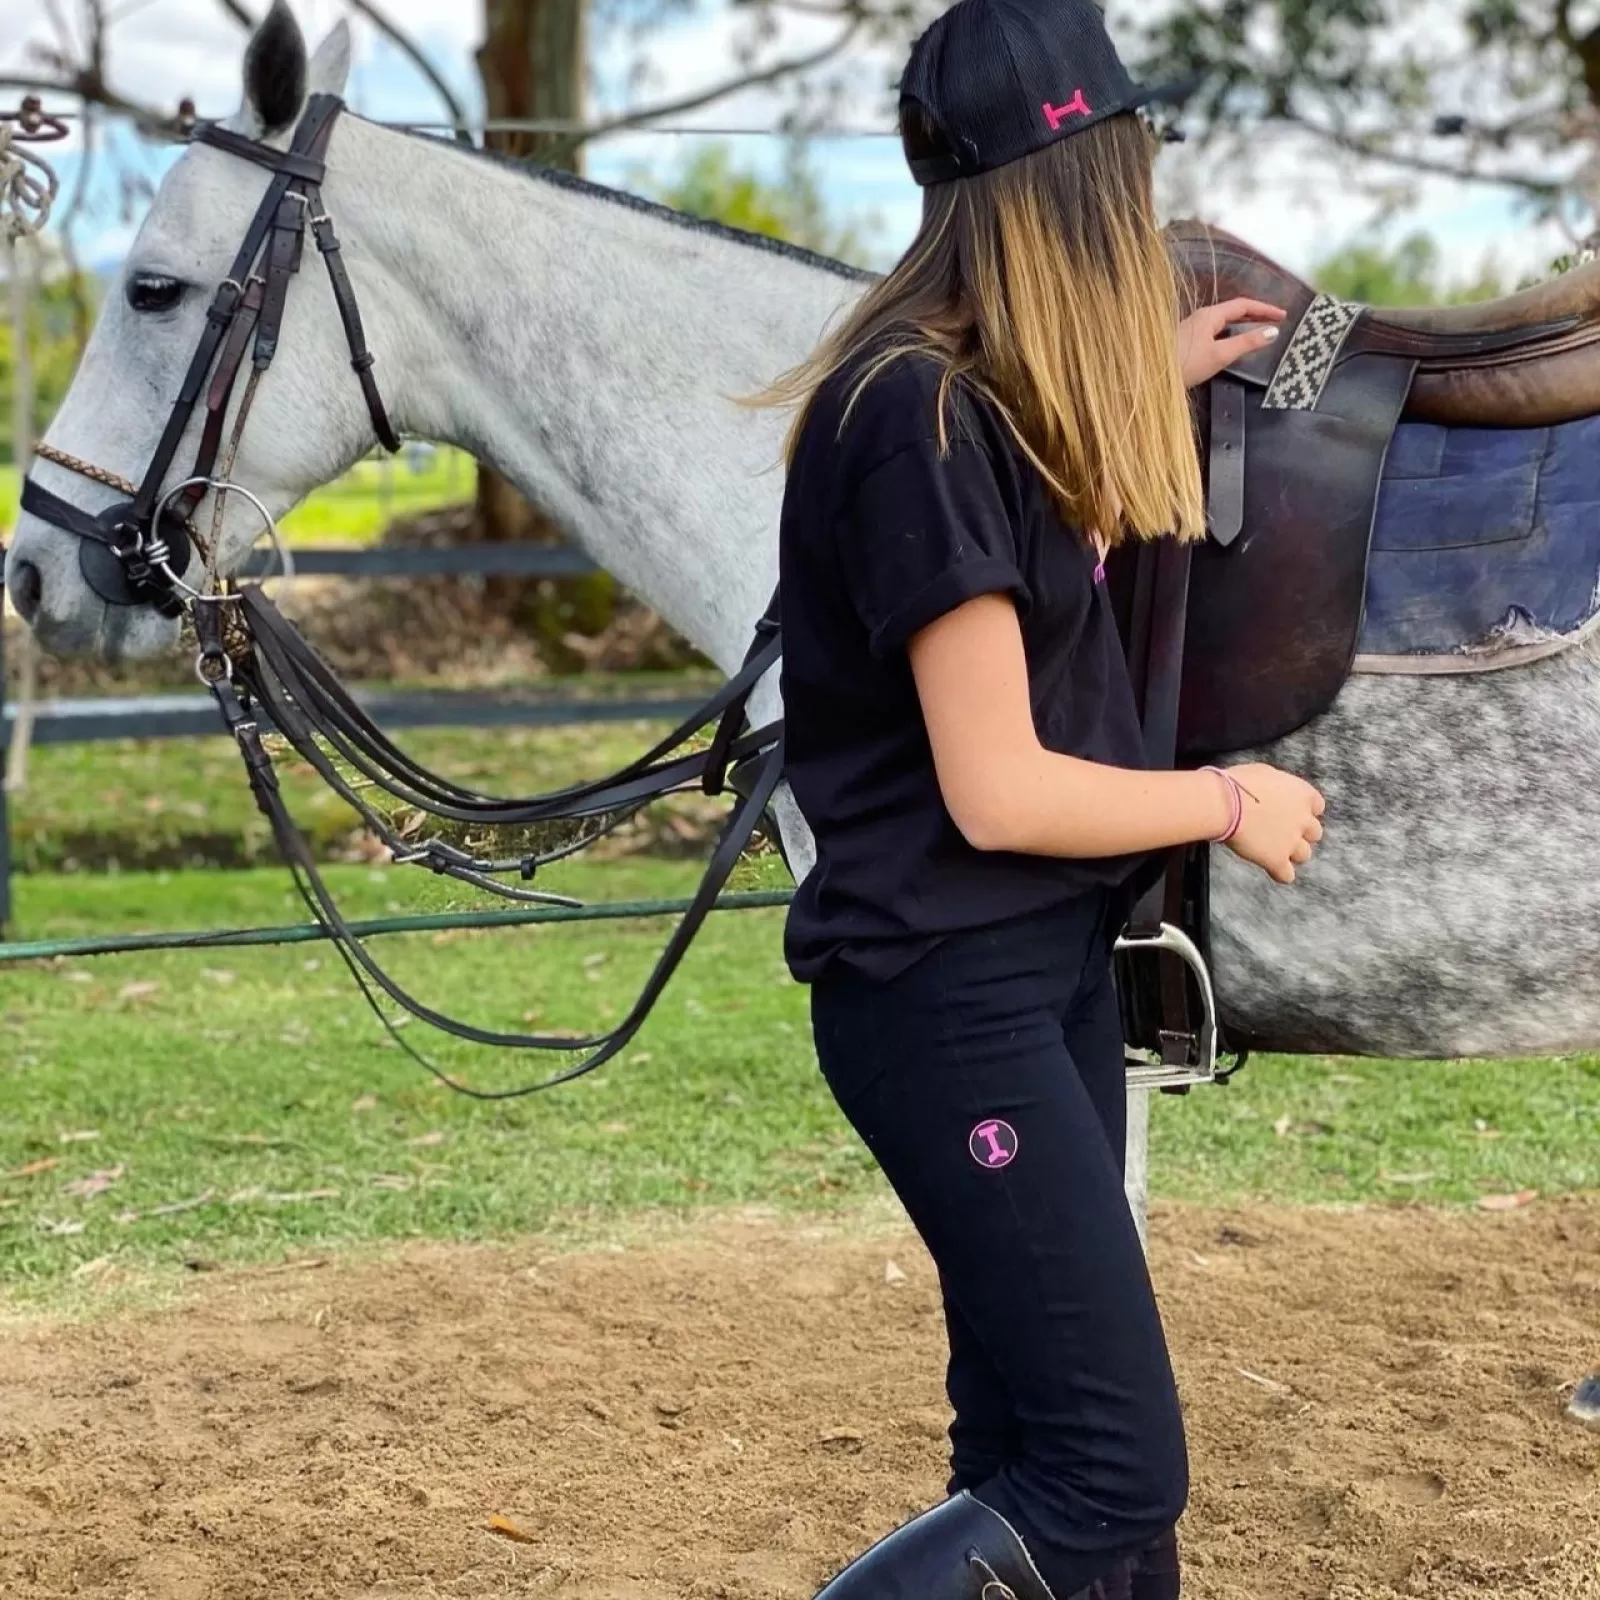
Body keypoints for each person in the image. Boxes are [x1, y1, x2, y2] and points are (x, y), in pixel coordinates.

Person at [754, 0, 1327, 1595]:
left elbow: (1029, 495)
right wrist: (1222, 803)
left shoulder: (977, 404)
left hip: (1031, 972)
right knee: (1113, 1462)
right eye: (1125, 181)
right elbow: (997, 790)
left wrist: (1146, 366)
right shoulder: (914, 425)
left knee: (1041, 1454)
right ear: (1073, 187)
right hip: (949, 993)